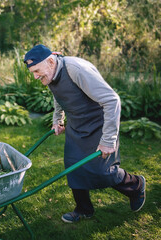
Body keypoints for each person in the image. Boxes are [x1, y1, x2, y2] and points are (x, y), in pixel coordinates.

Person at [23, 44, 146, 223]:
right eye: (32, 72)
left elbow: (112, 100)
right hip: (77, 126)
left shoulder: (76, 69)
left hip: (98, 125)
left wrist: (108, 140)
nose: (35, 76)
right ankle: (83, 209)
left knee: (104, 171)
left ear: (50, 61)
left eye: (36, 70)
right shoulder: (50, 74)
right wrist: (58, 119)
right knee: (74, 168)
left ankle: (136, 185)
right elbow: (59, 96)